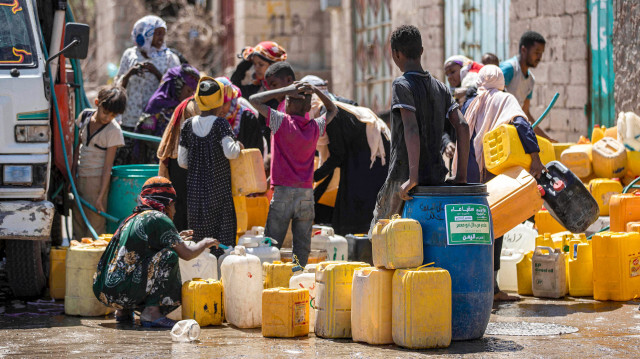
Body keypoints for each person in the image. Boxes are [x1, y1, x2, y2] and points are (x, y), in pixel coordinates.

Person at [370, 25, 470, 231]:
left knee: (384, 237)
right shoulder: (440, 87)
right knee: (424, 239)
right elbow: (462, 124)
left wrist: (412, 178)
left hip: (404, 177)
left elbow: (412, 129)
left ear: (395, 54)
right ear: (421, 51)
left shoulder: (402, 85)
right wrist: (461, 176)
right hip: (434, 178)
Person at [460, 65, 545, 302]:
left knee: (471, 228)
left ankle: (471, 284)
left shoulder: (471, 102)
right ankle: (493, 289)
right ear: (500, 81)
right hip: (492, 172)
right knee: (495, 226)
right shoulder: (505, 99)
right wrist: (535, 158)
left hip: (470, 174)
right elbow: (522, 124)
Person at [93, 176, 220, 328]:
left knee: (145, 258)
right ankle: (152, 313)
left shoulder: (132, 218)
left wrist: (176, 238)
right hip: (123, 293)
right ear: (169, 203)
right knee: (169, 256)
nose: (174, 210)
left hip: (105, 292)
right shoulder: (159, 218)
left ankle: (123, 312)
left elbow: (143, 249)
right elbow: (187, 254)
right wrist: (205, 243)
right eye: (174, 205)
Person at [250, 82, 338, 266]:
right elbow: (333, 110)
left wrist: (284, 89)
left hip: (283, 194)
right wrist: (316, 92)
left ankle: (269, 280)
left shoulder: (280, 121)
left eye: (287, 99)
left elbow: (254, 100)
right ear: (308, 108)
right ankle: (298, 278)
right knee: (301, 248)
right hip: (306, 195)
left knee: (271, 245)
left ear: (288, 103)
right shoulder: (314, 127)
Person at [303, 75, 391, 235]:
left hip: (371, 156)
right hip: (363, 156)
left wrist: (312, 178)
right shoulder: (325, 109)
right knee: (351, 200)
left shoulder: (327, 112)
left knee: (357, 203)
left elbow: (338, 156)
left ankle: (362, 245)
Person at [178, 77, 243, 257]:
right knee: (222, 239)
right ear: (220, 102)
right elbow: (231, 152)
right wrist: (238, 146)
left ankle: (202, 273)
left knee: (200, 240)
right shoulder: (221, 124)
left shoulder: (187, 125)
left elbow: (182, 162)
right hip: (218, 190)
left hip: (195, 193)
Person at [114, 15, 181, 165]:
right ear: (144, 34)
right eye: (157, 33)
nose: (161, 38)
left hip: (154, 121)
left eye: (163, 34)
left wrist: (156, 72)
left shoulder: (170, 58)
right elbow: (118, 85)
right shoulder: (129, 55)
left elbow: (174, 90)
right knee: (127, 161)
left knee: (150, 159)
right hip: (130, 119)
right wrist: (130, 73)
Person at [72, 87, 127, 241]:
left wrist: (100, 196)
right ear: (97, 103)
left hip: (96, 182)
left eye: (113, 115)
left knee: (94, 226)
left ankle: (93, 262)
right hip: (79, 176)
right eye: (105, 112)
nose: (107, 117)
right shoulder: (84, 116)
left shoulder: (113, 131)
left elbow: (107, 167)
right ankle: (77, 259)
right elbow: (76, 148)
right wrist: (71, 176)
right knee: (77, 221)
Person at [132, 64, 200, 164]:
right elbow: (146, 134)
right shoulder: (157, 104)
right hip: (156, 160)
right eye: (188, 91)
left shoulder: (188, 107)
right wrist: (167, 149)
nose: (190, 95)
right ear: (178, 85)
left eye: (192, 92)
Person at [500, 31, 554, 141]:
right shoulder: (510, 69)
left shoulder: (530, 80)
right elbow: (491, 99)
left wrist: (548, 139)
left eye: (541, 53)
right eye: (537, 52)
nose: (540, 57)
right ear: (524, 50)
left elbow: (525, 113)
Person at [157, 94, 201, 231]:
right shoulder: (193, 106)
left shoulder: (185, 104)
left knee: (179, 206)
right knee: (185, 207)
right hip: (185, 161)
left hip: (176, 159)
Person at [216, 77, 264, 152]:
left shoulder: (247, 118)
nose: (220, 108)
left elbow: (256, 152)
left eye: (224, 103)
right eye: (217, 104)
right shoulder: (211, 120)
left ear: (232, 100)